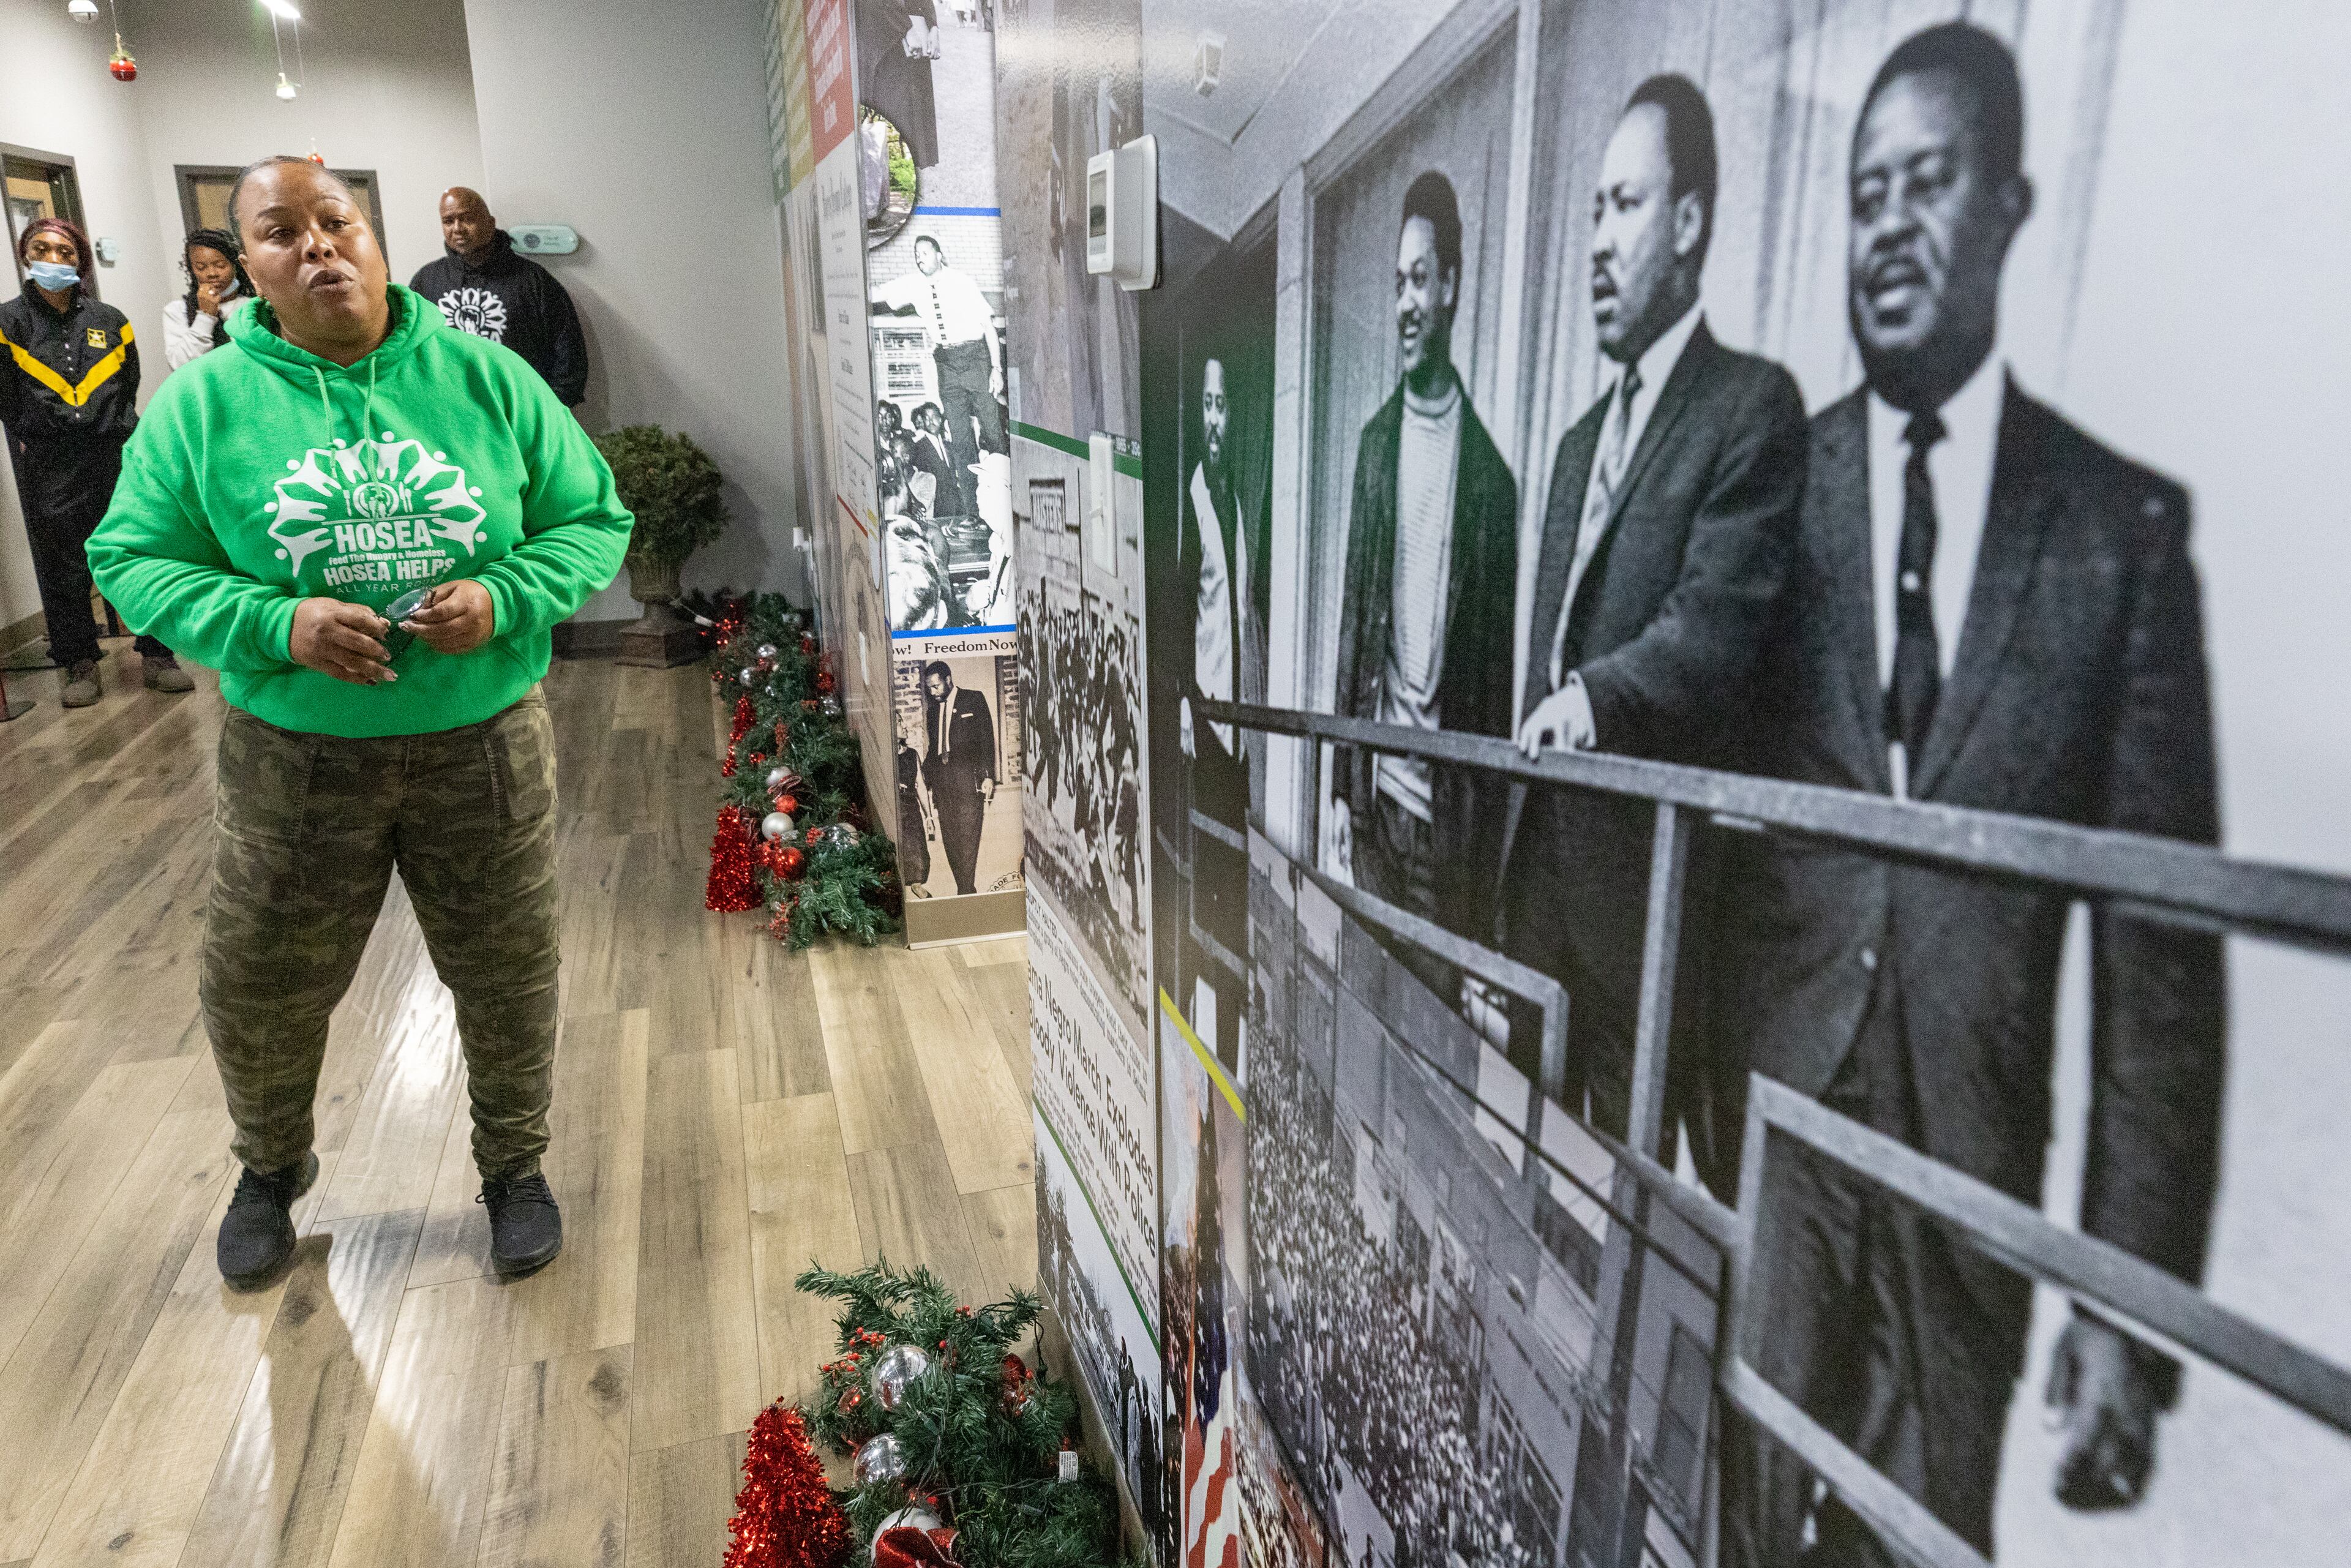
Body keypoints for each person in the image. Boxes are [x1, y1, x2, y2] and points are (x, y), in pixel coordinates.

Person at [1714, 26, 2224, 1566]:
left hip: (1971, 1168)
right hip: (1784, 1122)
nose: (1884, 226)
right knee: (1739, 1508)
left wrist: (2123, 1305)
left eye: (1922, 184)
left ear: (2005, 204)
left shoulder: (2114, 530)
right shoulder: (1776, 485)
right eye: (1863, 193)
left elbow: (2158, 960)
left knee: (1917, 1538)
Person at [86, 156, 634, 1288]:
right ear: (251, 270)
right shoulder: (203, 406)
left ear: (375, 238)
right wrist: (273, 624)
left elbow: (592, 519)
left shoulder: (488, 380)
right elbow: (127, 558)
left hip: (480, 743)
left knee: (509, 970)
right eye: (281, 233)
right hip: (296, 757)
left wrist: (506, 595)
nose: (318, 246)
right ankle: (270, 1169)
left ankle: (514, 1169)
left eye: (335, 221)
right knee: (258, 979)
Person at [1496, 77, 1805, 1143]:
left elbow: (1715, 624)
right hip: (1539, 900)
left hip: (1648, 929)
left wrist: (1590, 700)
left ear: (1688, 223)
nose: (1597, 240)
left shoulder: (1751, 410)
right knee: (1510, 1196)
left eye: (1624, 207)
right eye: (1592, 210)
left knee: (1620, 1241)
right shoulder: (1580, 443)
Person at [1327, 171, 1518, 998]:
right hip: (1373, 808)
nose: (1405, 301)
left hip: (1450, 833)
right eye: (1395, 281)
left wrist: (1489, 876)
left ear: (1450, 288)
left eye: (1419, 279)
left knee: (1431, 1056)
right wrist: (1338, 790)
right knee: (1364, 1024)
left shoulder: (1492, 485)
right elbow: (1350, 632)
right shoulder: (1374, 450)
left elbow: (1495, 691)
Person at [1, 217, 193, 705]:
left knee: (138, 550)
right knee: (63, 564)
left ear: (79, 260)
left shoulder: (110, 320)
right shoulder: (8, 322)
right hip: (50, 460)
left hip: (114, 454)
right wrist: (34, 428)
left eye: (65, 252)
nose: (54, 259)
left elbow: (128, 383)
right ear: (26, 256)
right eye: (42, 249)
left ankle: (157, 652)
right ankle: (79, 661)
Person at [1175, 354, 1259, 1060]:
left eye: (1222, 404)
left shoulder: (1240, 497)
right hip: (1203, 712)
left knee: (1239, 862)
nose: (1213, 418)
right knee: (1207, 864)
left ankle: (1229, 1021)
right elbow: (1179, 603)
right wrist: (1181, 697)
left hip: (1244, 720)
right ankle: (1207, 1018)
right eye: (1205, 403)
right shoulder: (1194, 493)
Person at [408, 187, 590, 408]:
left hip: (519, 413)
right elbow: (410, 348)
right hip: (451, 413)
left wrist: (553, 408)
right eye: (448, 221)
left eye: (467, 219)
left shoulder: (532, 280)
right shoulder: (427, 281)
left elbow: (569, 351)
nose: (457, 229)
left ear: (490, 223)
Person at [871, 235, 1006, 487]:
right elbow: (878, 292)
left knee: (991, 429)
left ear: (939, 255)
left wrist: (996, 368)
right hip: (946, 362)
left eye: (924, 252)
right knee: (960, 437)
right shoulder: (913, 284)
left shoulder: (962, 282)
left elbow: (989, 326)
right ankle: (973, 511)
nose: (919, 258)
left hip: (975, 356)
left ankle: (1003, 494)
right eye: (916, 255)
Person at [919, 658, 997, 896]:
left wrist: (988, 776)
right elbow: (933, 750)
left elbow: (986, 740)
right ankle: (965, 888)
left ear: (949, 680)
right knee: (951, 837)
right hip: (942, 782)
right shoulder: (933, 712)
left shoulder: (973, 699)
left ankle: (965, 890)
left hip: (967, 778)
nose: (932, 692)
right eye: (929, 688)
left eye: (936, 686)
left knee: (969, 834)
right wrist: (923, 778)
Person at [161, 227, 253, 369]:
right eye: (201, 268)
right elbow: (180, 366)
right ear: (192, 271)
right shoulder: (177, 311)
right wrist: (206, 316)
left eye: (220, 265)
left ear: (235, 265)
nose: (212, 273)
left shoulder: (252, 306)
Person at [909, 400, 965, 515]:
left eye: (934, 417)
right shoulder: (918, 448)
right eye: (927, 418)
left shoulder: (949, 446)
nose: (931, 422)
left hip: (957, 506)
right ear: (923, 422)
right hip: (936, 508)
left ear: (940, 419)